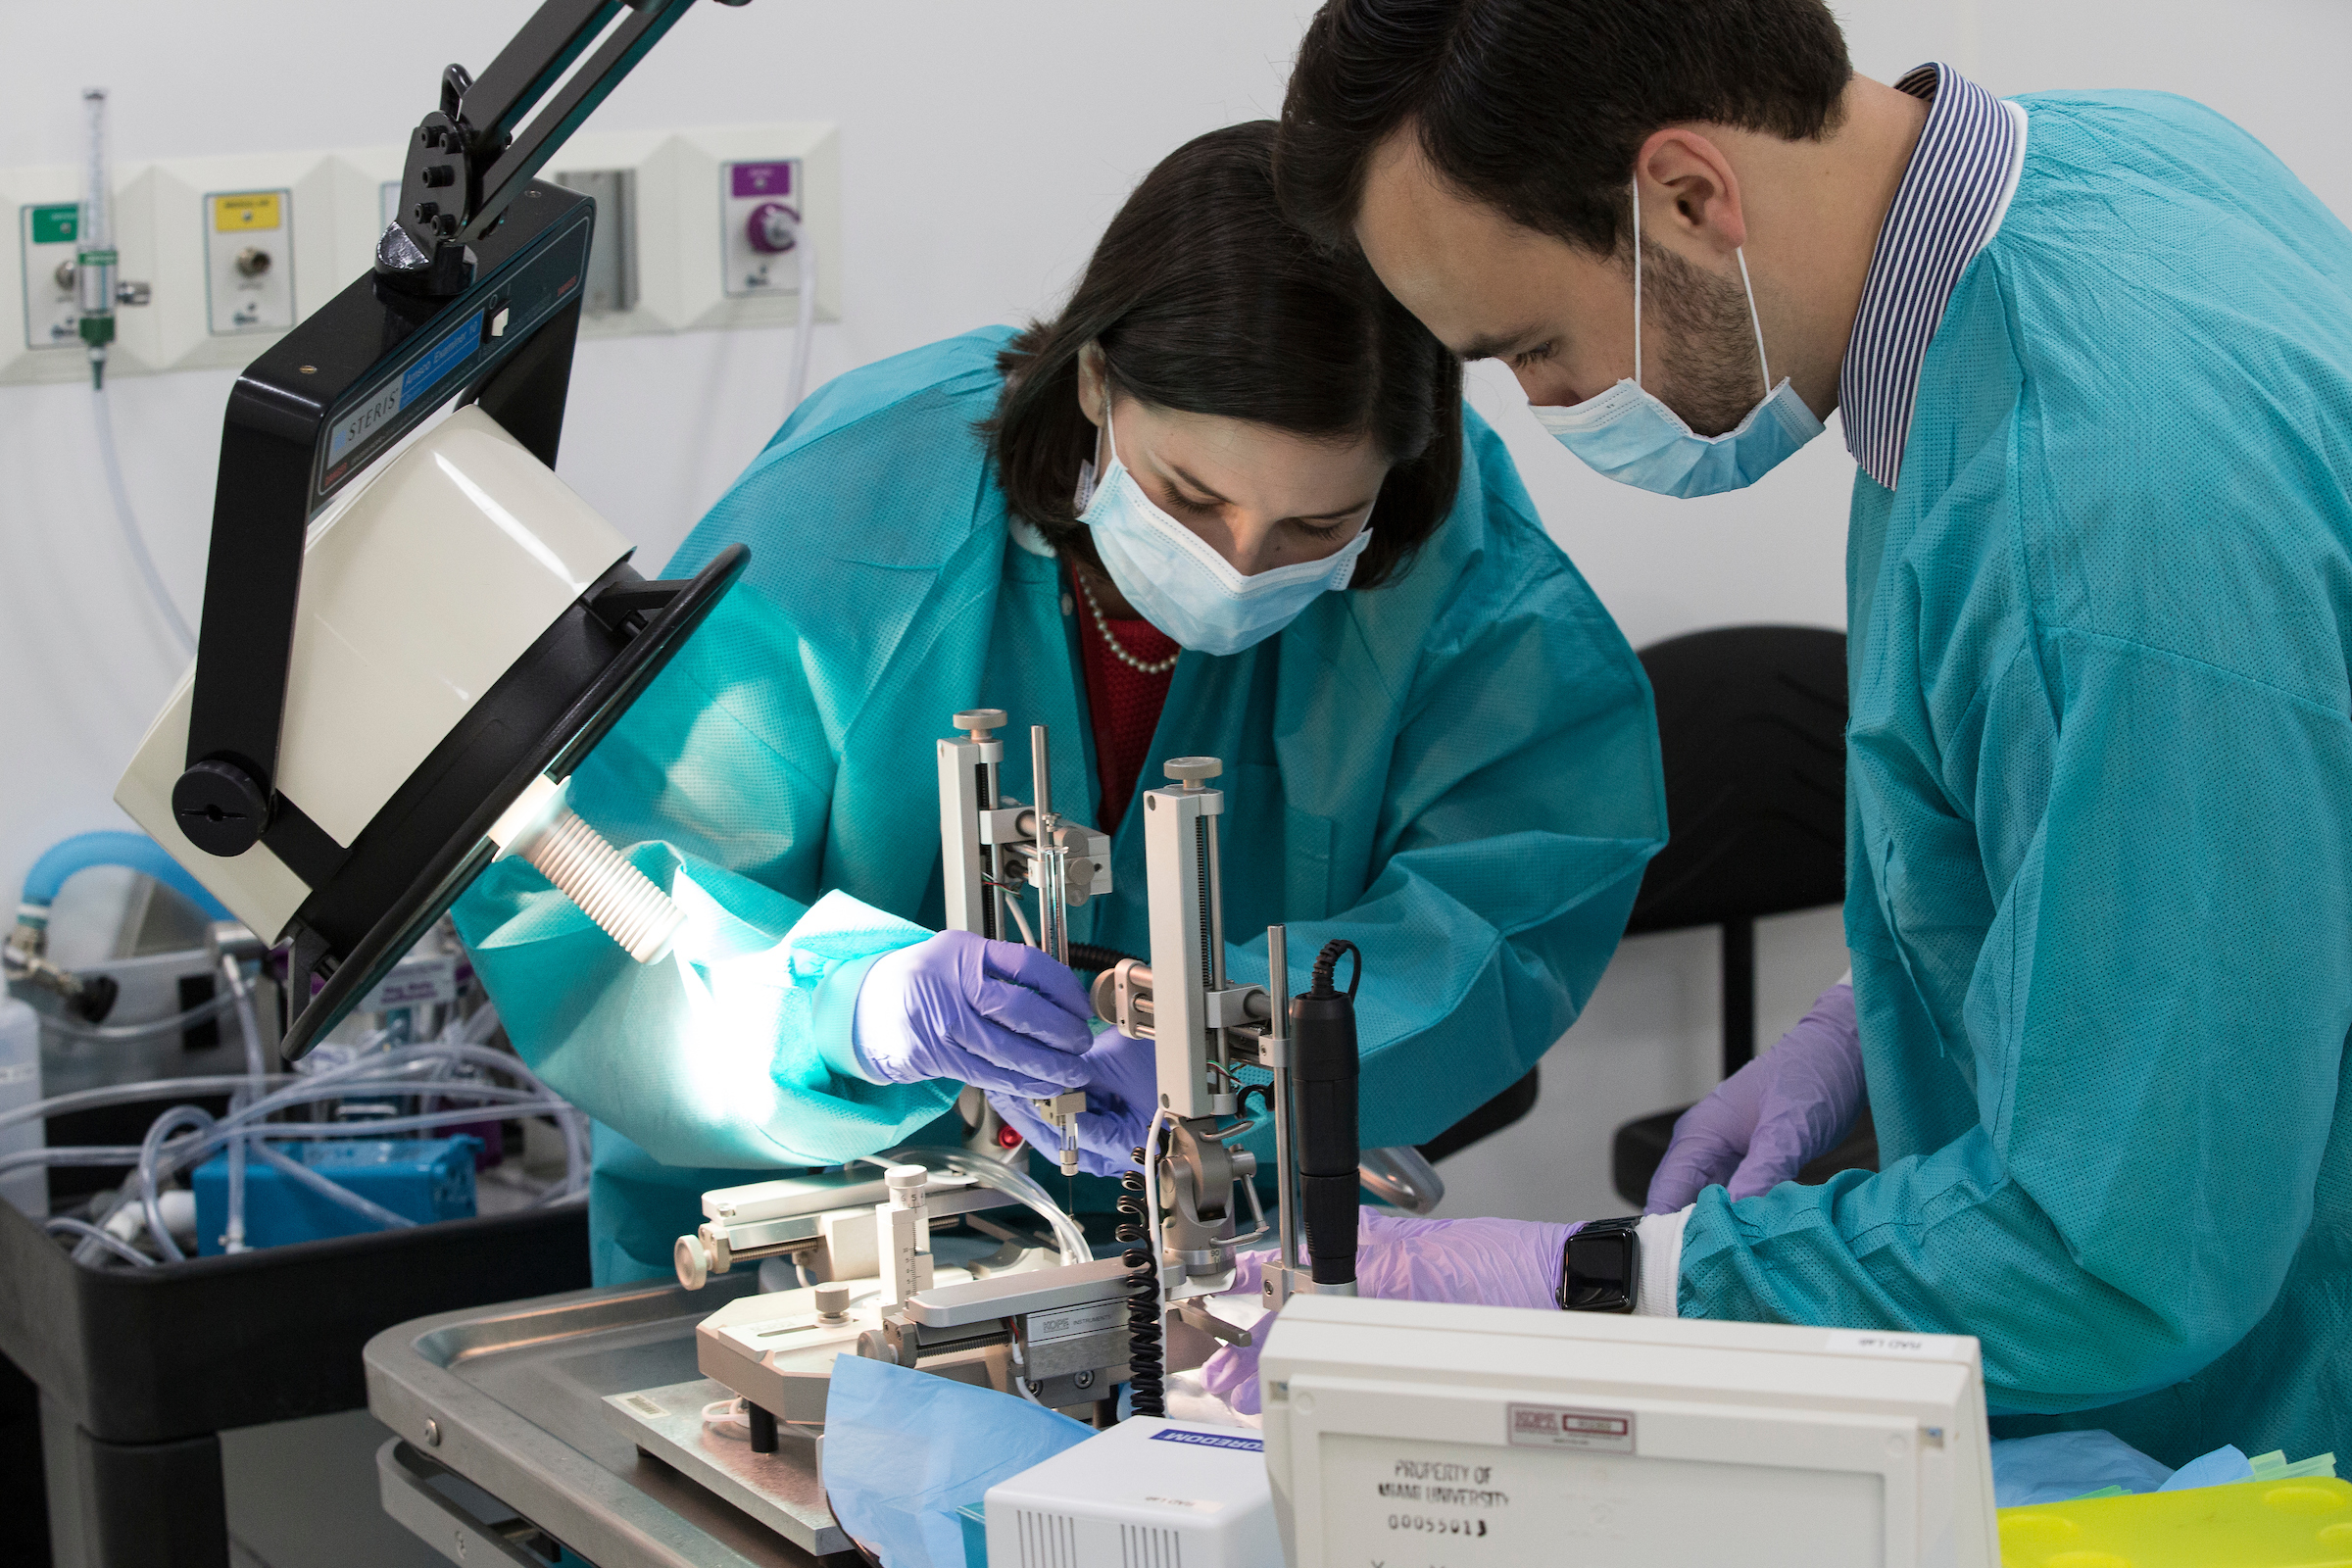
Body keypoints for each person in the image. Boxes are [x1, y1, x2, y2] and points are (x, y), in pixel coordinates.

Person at [1204, 0, 2352, 1466]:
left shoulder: (2091, 507)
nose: (1546, 405)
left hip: (2276, 1418)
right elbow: (2211, 833)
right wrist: (1888, 1022)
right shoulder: (2115, 167)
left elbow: (2118, 1252)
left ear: (1691, 196)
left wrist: (1604, 1281)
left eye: (1533, 345)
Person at [452, 122, 1666, 1284]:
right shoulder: (857, 515)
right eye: (1192, 495)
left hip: (1217, 1235)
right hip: (821, 1249)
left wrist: (1230, 1051)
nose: (1244, 564)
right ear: (1096, 380)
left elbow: (1521, 882)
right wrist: (852, 1007)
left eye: (1314, 526)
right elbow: (596, 889)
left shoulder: (1438, 541)